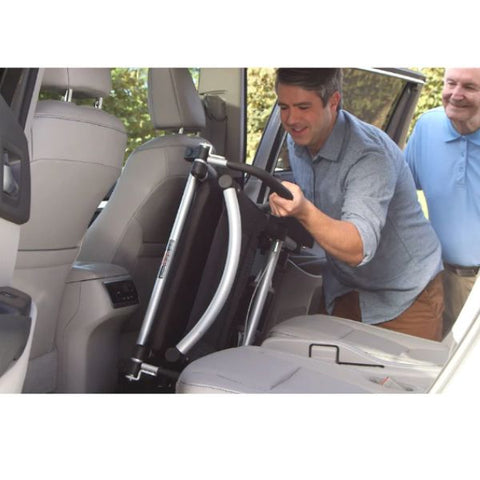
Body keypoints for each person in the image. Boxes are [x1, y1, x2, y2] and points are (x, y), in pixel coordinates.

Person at [269, 68, 444, 341]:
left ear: (334, 101)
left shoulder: (369, 156)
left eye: (303, 107)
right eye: (284, 107)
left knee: (397, 384)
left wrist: (303, 210)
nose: (291, 119)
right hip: (346, 290)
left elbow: (358, 247)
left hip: (407, 297)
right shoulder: (299, 140)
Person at [405, 68, 480, 337]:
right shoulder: (428, 127)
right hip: (434, 276)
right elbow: (399, 192)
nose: (456, 95)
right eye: (451, 83)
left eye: (470, 87)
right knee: (433, 363)